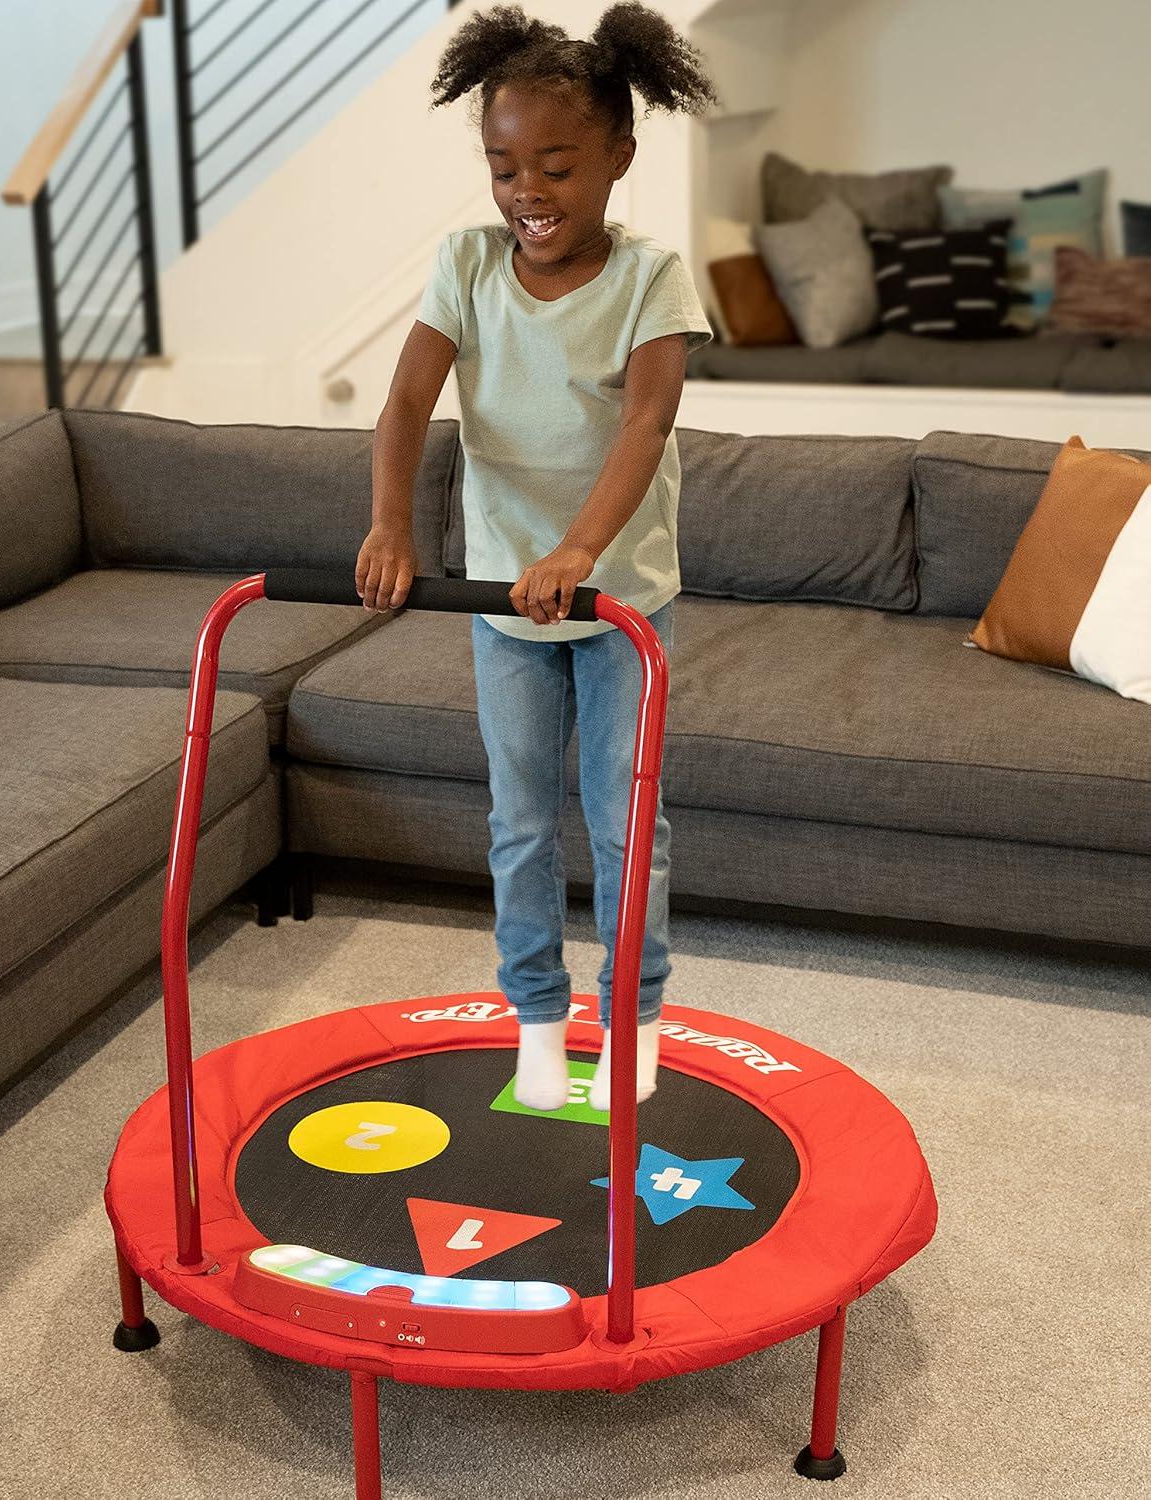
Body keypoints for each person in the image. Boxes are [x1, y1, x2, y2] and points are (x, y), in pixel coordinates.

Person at [355, 2, 715, 1114]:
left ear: (618, 158)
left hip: (618, 606)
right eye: (504, 166)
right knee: (518, 819)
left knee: (623, 822)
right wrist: (393, 523)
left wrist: (577, 548)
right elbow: (410, 398)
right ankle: (536, 1015)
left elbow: (644, 426)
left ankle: (633, 1017)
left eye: (556, 164)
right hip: (502, 600)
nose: (527, 192)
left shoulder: (653, 279)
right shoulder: (465, 264)